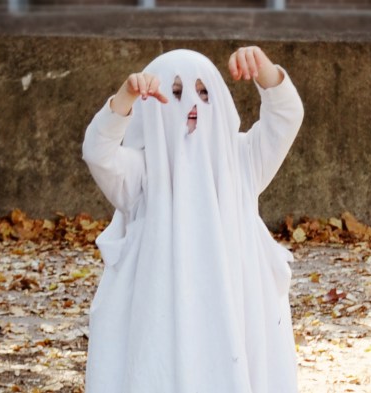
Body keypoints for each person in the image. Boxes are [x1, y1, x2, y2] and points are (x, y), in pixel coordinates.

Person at [81, 46, 304, 393]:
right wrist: (125, 98)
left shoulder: (242, 163)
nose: (192, 106)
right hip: (162, 329)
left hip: (234, 319)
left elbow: (285, 117)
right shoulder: (141, 176)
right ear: (150, 107)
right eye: (176, 93)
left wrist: (265, 72)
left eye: (203, 93)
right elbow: (98, 151)